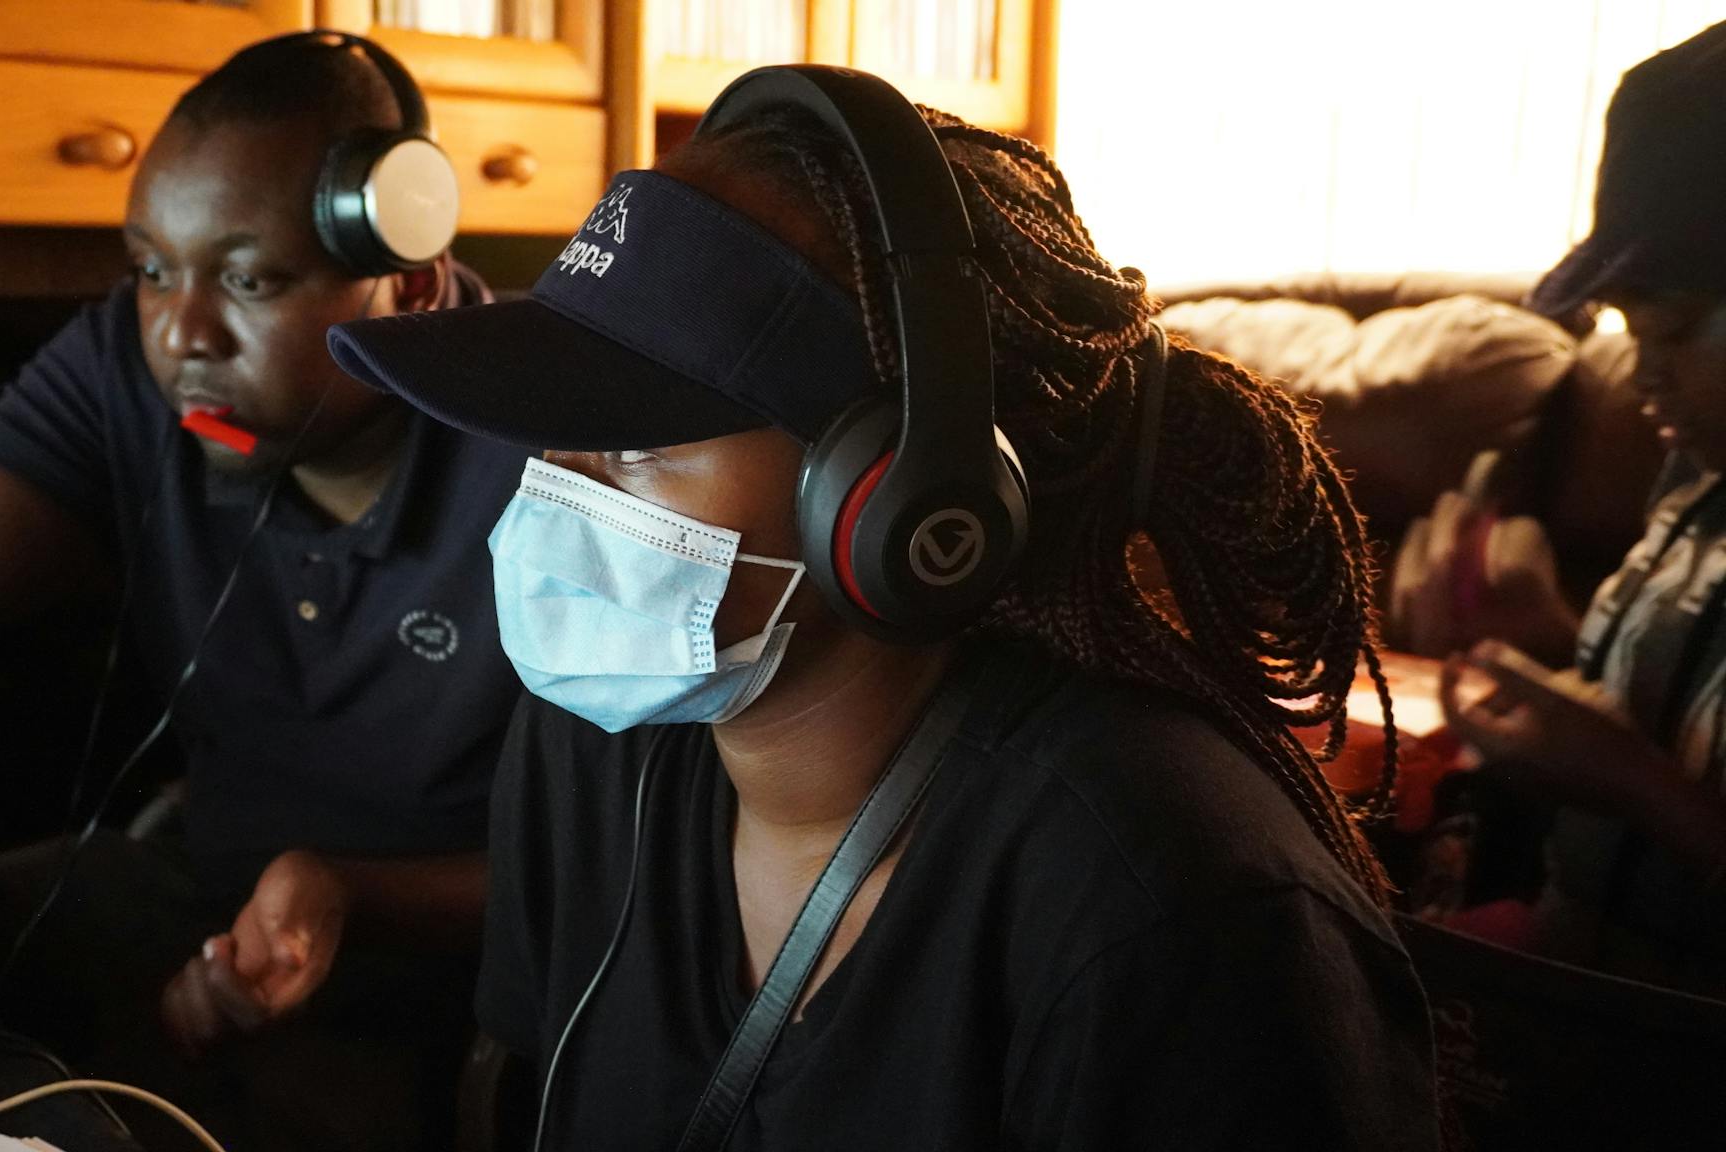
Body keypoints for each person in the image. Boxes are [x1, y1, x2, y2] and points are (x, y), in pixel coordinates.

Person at [327, 68, 1441, 1148]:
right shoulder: (587, 752)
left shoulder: (1168, 905)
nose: (558, 490)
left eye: (630, 445)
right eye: (551, 435)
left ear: (895, 499)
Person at [0, 32, 526, 1151]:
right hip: (185, 886)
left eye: (248, 279)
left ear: (406, 280)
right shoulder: (128, 377)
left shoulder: (557, 442)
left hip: (449, 979)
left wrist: (350, 893)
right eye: (151, 268)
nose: (180, 336)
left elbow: (647, 868)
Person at [1428, 21, 1726, 996]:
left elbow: (1650, 779)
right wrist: (1549, 653)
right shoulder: (1693, 475)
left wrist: (1631, 786)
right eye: (1624, 328)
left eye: (1670, 329)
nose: (1639, 373)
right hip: (1574, 998)